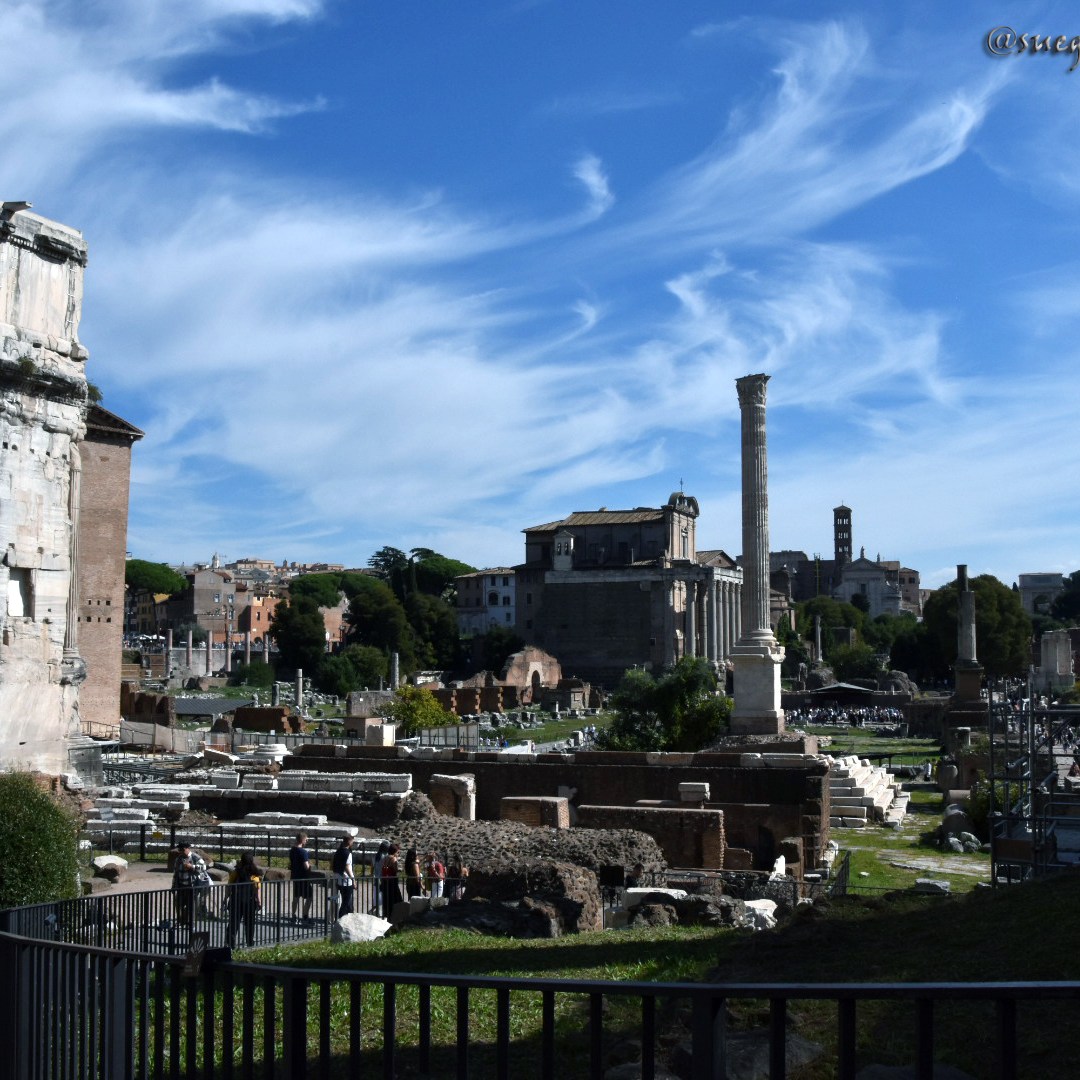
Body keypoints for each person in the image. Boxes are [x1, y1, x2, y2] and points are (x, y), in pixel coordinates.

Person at [227, 851, 262, 948]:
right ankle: (250, 942)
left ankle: (231, 943)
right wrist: (259, 901)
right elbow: (257, 889)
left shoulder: (236, 872)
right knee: (250, 923)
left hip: (236, 900)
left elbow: (229, 886)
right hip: (249, 901)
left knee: (234, 923)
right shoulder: (254, 873)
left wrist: (225, 898)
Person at [172, 841, 210, 928]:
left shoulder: (195, 857)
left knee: (192, 905)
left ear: (187, 849)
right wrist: (173, 885)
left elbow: (204, 868)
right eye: (179, 850)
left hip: (192, 886)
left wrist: (192, 867)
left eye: (182, 849)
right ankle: (180, 920)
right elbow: (175, 873)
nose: (180, 851)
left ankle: (191, 922)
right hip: (181, 885)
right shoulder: (178, 859)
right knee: (178, 904)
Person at [289, 831, 313, 922]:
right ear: (302, 840)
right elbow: (306, 866)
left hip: (295, 876)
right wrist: (311, 866)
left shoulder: (292, 850)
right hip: (303, 877)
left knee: (296, 897)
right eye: (306, 840)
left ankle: (293, 915)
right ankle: (305, 915)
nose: (306, 841)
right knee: (309, 897)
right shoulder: (303, 852)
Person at [331, 834, 355, 918]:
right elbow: (347, 867)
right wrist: (353, 880)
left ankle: (348, 916)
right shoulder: (348, 853)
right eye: (352, 841)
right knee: (346, 902)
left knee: (346, 902)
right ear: (349, 842)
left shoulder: (338, 851)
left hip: (338, 878)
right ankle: (340, 918)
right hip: (346, 880)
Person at [382, 843, 402, 913]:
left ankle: (387, 913)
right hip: (392, 881)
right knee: (396, 898)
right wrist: (400, 869)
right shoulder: (393, 858)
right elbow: (395, 869)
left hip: (385, 880)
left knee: (387, 898)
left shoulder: (385, 857)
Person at [372, 842, 390, 916]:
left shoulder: (375, 856)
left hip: (376, 877)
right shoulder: (386, 856)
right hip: (383, 878)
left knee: (376, 895)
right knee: (383, 896)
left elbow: (372, 866)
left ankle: (375, 910)